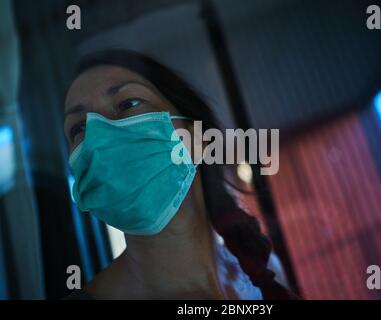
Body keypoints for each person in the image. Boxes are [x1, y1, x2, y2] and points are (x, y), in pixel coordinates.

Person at [63, 49, 297, 300]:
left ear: (199, 138)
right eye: (79, 128)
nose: (100, 138)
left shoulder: (264, 273)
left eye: (127, 104)